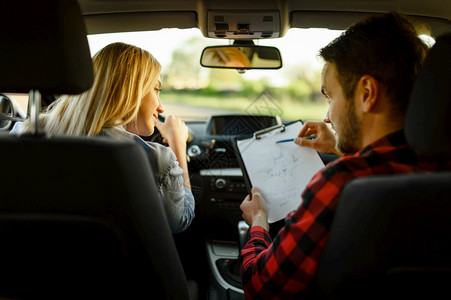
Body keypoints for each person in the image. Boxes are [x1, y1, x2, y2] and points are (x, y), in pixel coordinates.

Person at [239, 12, 444, 298]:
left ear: (367, 93)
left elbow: (261, 287)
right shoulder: (439, 169)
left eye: (330, 96)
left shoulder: (340, 181)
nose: (326, 117)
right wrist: (337, 147)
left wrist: (259, 222)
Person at [16, 42, 194, 234]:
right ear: (131, 91)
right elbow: (180, 219)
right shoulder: (156, 159)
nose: (161, 107)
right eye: (156, 89)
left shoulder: (26, 133)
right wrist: (177, 142)